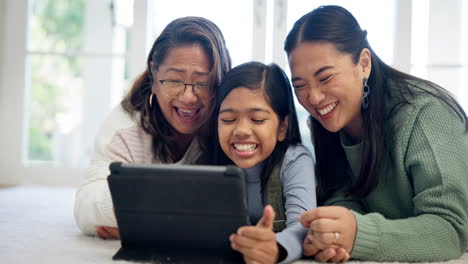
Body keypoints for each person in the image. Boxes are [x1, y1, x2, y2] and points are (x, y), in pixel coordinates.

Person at [283, 5, 468, 263]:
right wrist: (335, 231)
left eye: (325, 78)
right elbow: (343, 193)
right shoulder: (331, 123)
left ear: (364, 63)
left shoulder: (426, 113)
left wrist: (358, 234)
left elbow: (452, 230)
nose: (312, 98)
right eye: (299, 85)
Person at [74, 16, 231, 238]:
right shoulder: (124, 127)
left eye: (203, 83)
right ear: (155, 76)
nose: (188, 97)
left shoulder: (231, 117)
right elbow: (86, 208)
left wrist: (144, 217)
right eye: (175, 80)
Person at [209, 61, 317, 263]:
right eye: (228, 120)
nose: (241, 130)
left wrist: (275, 248)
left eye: (257, 120)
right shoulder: (210, 163)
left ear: (282, 127)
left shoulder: (294, 161)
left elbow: (303, 227)